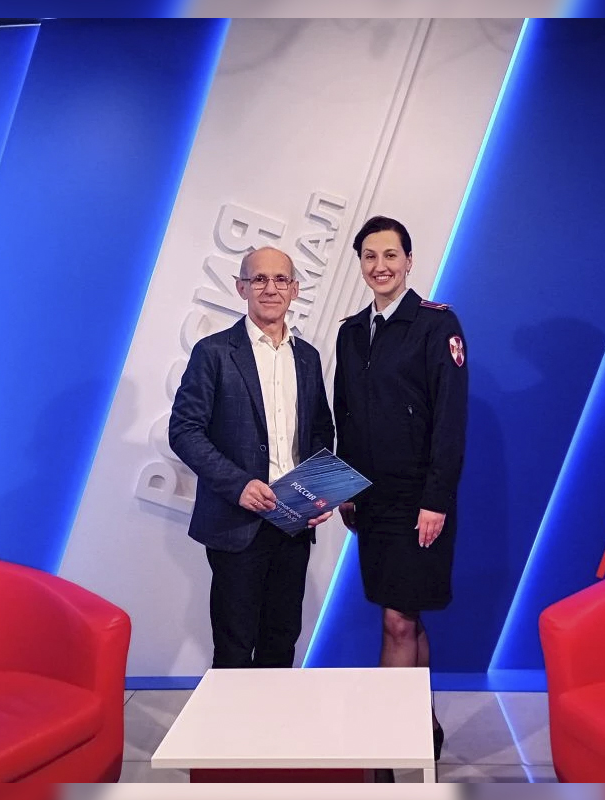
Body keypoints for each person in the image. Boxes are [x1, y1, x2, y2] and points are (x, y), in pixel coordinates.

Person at [333, 216, 469, 766]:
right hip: (370, 501)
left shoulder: (437, 324)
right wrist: (343, 488)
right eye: (370, 256)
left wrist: (436, 499)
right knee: (404, 616)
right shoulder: (350, 331)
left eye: (390, 255)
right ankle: (423, 723)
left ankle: (388, 740)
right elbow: (345, 415)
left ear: (409, 261)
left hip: (419, 503)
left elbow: (450, 420)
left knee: (398, 619)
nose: (380, 266)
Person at [169, 246, 335, 669]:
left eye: (280, 279)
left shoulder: (308, 357)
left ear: (295, 289)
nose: (270, 288)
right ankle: (230, 718)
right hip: (236, 521)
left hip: (293, 520)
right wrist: (238, 484)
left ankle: (273, 716)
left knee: (282, 641)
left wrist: (319, 494)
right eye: (259, 279)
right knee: (234, 648)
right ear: (241, 287)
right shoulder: (213, 352)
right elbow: (184, 431)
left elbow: (321, 431)